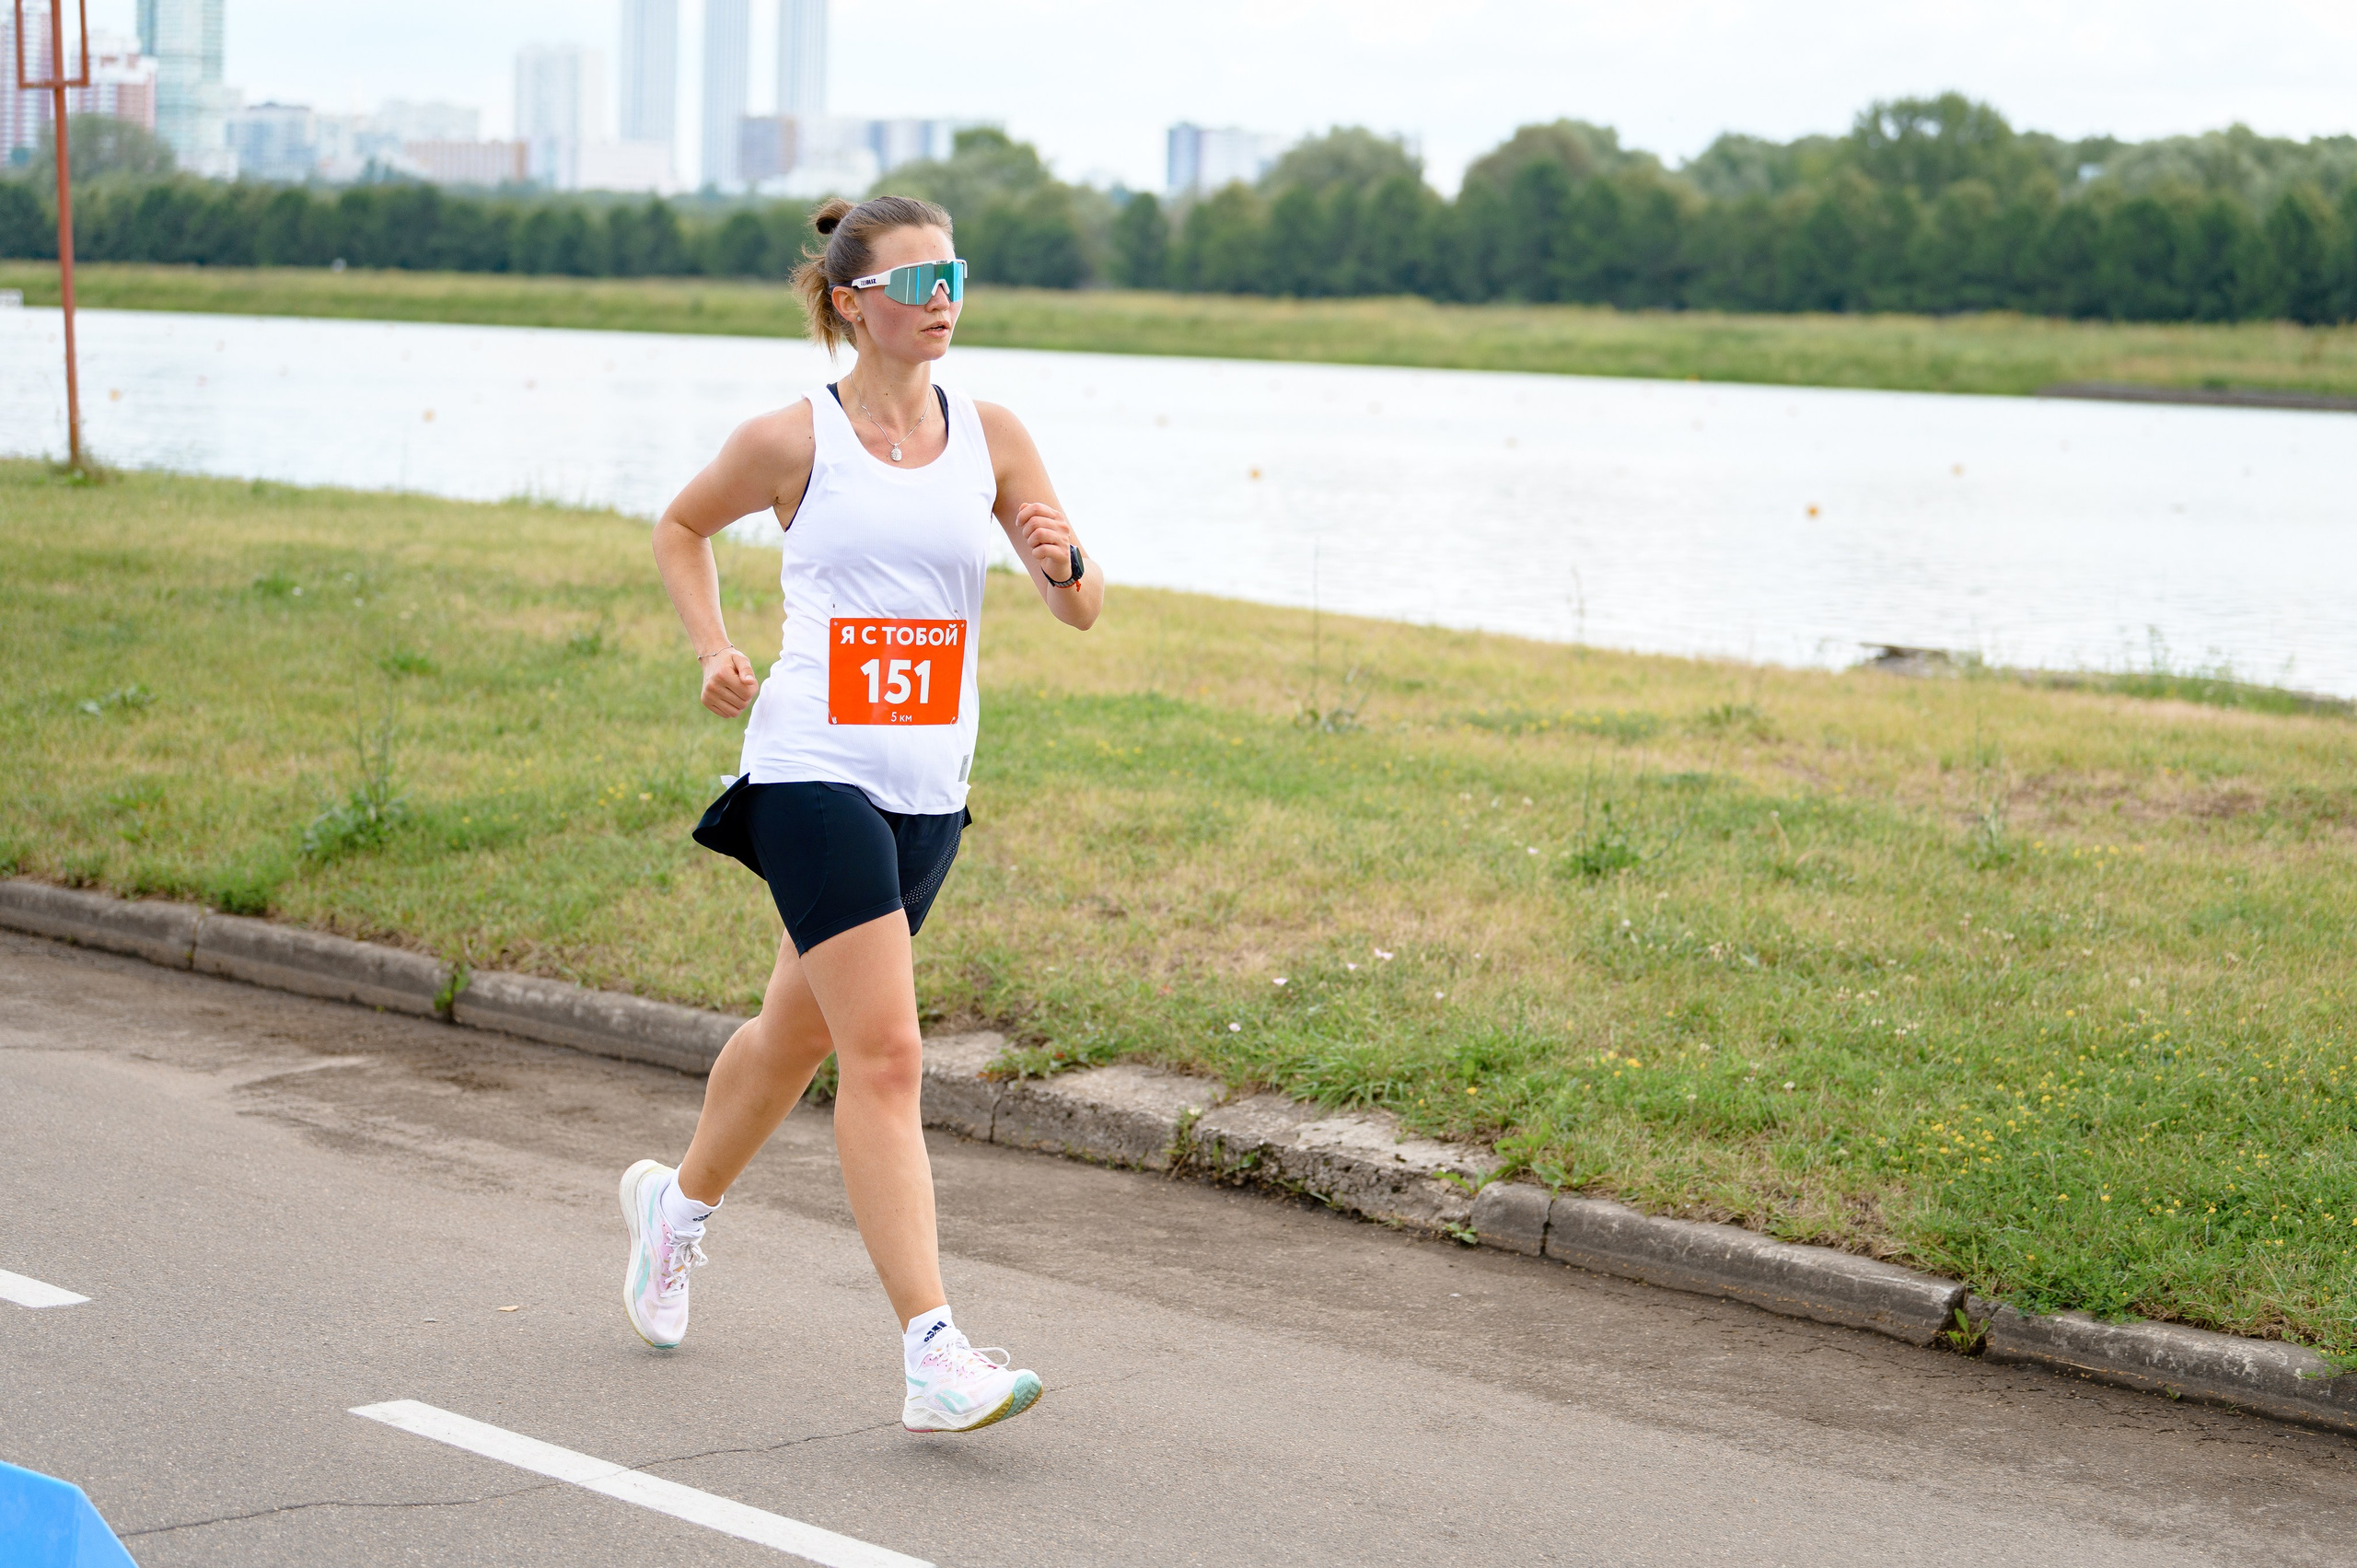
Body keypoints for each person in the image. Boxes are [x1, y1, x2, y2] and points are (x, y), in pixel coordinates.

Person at [626, 193, 1100, 1434]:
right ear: (851, 303)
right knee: (887, 1054)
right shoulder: (792, 439)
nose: (943, 300)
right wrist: (713, 647)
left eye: (955, 276)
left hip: (930, 786)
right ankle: (933, 1354)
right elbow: (680, 526)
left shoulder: (991, 434)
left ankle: (673, 1212)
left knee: (797, 1036)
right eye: (916, 282)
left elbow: (1079, 604)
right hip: (811, 766)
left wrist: (1061, 559)